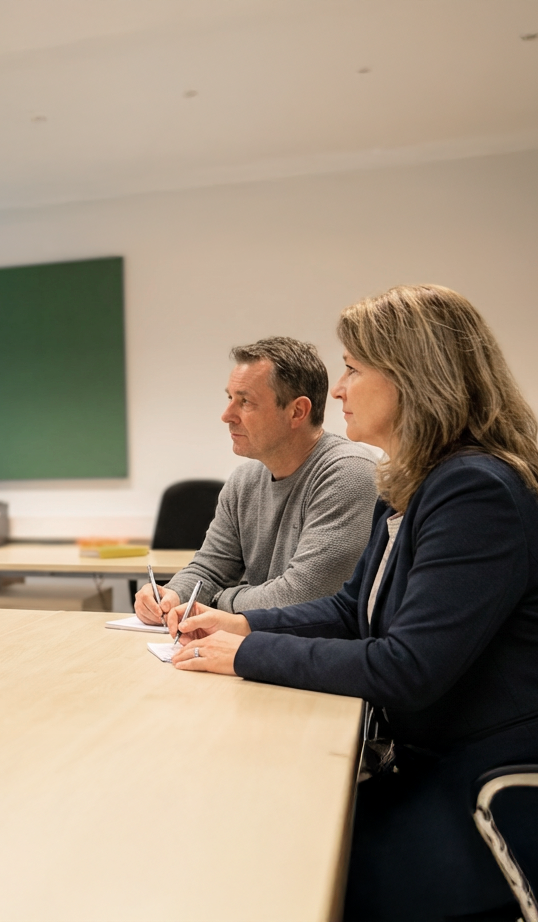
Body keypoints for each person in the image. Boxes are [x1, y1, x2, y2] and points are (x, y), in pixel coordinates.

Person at [170, 285, 538, 921]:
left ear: (415, 378)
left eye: (353, 369)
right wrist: (242, 620)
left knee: (297, 872)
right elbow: (349, 609)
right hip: (428, 757)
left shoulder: (476, 489)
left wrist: (250, 652)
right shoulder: (416, 481)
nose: (339, 389)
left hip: (484, 778)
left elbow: (407, 668)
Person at [135, 336, 378, 625]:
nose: (227, 415)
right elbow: (210, 569)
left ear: (297, 412)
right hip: (264, 646)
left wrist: (214, 599)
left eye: (245, 401)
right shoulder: (243, 481)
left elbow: (303, 596)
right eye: (230, 398)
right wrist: (171, 596)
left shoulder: (347, 473)